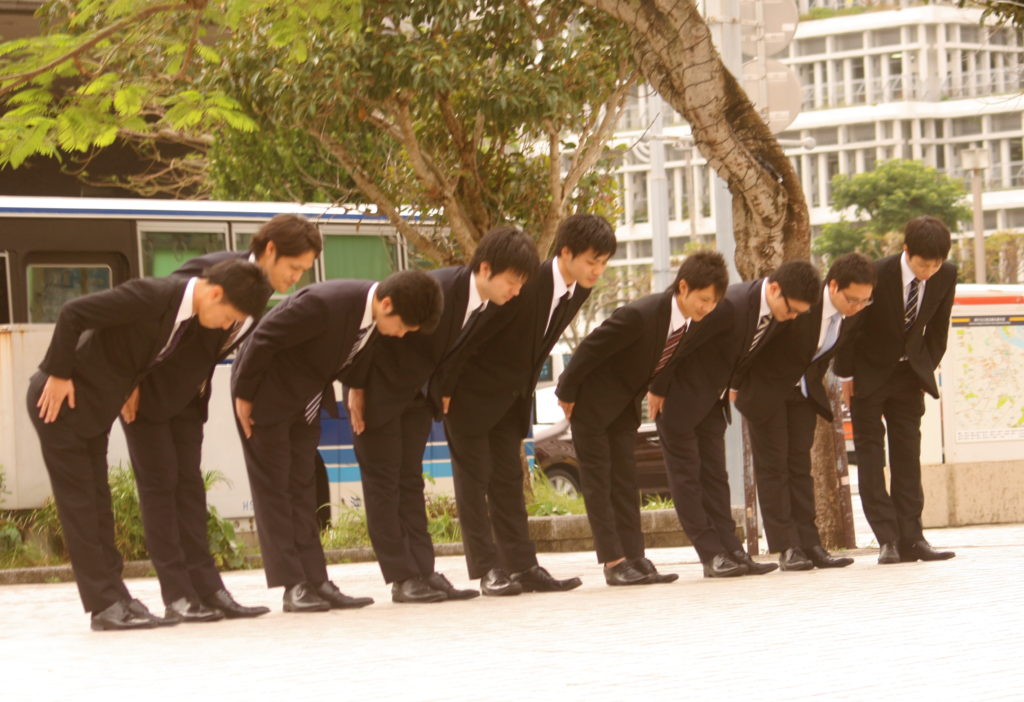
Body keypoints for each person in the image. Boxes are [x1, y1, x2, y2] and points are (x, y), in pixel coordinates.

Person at [26, 259, 271, 631]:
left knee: (99, 506)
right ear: (215, 294)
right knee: (82, 509)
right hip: (59, 404)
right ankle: (104, 605)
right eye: (228, 317)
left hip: (94, 410)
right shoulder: (153, 295)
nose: (226, 327)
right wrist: (58, 372)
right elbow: (74, 312)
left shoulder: (182, 317)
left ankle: (118, 598)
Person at [120, 214, 321, 622]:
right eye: (294, 267)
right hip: (146, 396)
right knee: (161, 492)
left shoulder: (261, 293)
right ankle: (178, 595)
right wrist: (126, 379)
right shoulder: (213, 271)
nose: (296, 278)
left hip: (188, 400)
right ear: (270, 250)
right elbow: (145, 311)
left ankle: (209, 590)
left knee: (190, 491)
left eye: (303, 271)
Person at [231, 270, 443, 612]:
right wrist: (243, 394)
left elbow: (348, 361)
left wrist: (357, 388)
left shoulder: (370, 319)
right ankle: (293, 585)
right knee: (276, 490)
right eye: (404, 326)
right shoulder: (325, 303)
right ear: (387, 304)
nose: (402, 334)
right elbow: (264, 337)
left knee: (303, 487)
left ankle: (316, 580)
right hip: (264, 396)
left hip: (305, 399)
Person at [347, 226, 539, 603]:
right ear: (486, 268)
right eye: (512, 281)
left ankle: (423, 570)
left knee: (410, 482)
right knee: (384, 485)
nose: (516, 291)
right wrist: (356, 386)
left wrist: (443, 389)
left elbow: (456, 352)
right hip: (379, 391)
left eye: (521, 284)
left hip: (419, 397)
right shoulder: (437, 287)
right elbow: (374, 328)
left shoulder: (486, 305)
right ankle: (402, 577)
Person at [443, 214, 616, 596]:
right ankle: (487, 570)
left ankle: (522, 567)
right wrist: (445, 386)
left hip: (512, 399)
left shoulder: (577, 290)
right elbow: (474, 332)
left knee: (508, 482)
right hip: (470, 395)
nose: (597, 271)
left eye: (604, 263)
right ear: (566, 253)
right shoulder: (526, 281)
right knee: (473, 483)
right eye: (592, 261)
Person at [556, 251, 728, 586]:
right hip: (592, 405)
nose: (707, 308)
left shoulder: (686, 324)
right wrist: (566, 391)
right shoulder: (641, 314)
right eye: (704, 299)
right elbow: (590, 348)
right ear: (683, 287)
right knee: (599, 483)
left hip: (623, 408)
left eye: (714, 302)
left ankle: (635, 557)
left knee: (625, 482)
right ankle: (613, 562)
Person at [650, 260, 821, 578]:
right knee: (688, 479)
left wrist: (734, 387)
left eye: (799, 313)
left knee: (716, 478)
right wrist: (657, 387)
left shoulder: (774, 314)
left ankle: (732, 550)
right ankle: (711, 554)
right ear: (775, 289)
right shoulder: (731, 304)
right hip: (679, 400)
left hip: (712, 402)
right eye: (791, 309)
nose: (793, 317)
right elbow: (681, 339)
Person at [736, 253, 876, 571]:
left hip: (802, 393)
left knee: (800, 467)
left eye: (864, 301)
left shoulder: (852, 315)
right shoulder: (803, 303)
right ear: (834, 286)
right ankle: (786, 547)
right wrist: (736, 384)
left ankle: (810, 543)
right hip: (767, 390)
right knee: (774, 468)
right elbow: (757, 343)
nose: (857, 307)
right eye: (852, 299)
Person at [835, 217, 958, 564]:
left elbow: (938, 328)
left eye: (935, 264)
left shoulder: (946, 275)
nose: (929, 272)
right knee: (871, 457)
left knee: (907, 456)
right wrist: (846, 376)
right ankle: (887, 539)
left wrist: (924, 367)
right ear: (906, 251)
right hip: (868, 375)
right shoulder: (877, 273)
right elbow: (850, 326)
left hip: (908, 377)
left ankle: (913, 537)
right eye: (923, 264)